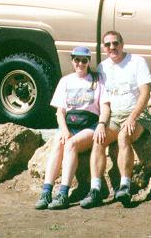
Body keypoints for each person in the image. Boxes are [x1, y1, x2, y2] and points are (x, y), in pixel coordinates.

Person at [80, 31, 151, 209]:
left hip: (137, 114)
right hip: (114, 116)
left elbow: (146, 93)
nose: (112, 47)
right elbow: (105, 102)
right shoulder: (103, 68)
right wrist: (101, 124)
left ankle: (124, 187)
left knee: (123, 137)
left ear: (122, 43)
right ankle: (95, 189)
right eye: (108, 45)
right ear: (104, 48)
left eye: (115, 43)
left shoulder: (137, 62)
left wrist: (133, 118)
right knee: (98, 140)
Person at [34, 46, 110, 210]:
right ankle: (46, 191)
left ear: (89, 61)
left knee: (71, 144)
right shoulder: (65, 81)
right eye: (77, 60)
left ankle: (63, 193)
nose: (80, 64)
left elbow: (104, 107)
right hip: (69, 123)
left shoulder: (97, 81)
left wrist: (102, 124)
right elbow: (60, 111)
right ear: (72, 60)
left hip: (90, 125)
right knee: (57, 144)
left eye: (84, 60)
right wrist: (64, 130)